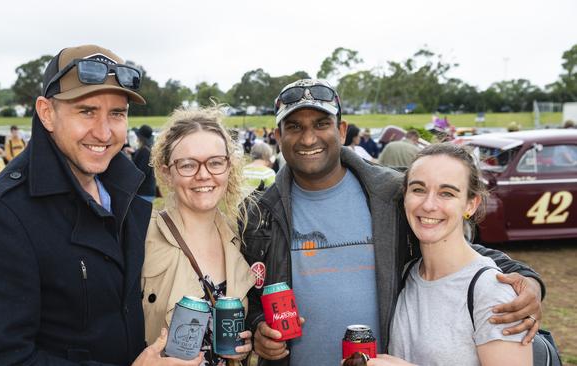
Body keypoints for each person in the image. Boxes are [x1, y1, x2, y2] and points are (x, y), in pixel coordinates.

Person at [240, 79, 544, 366]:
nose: (308, 138)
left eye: (321, 124)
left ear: (341, 130)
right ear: (278, 137)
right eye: (294, 127)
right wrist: (258, 329)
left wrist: (526, 279)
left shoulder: (392, 193)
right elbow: (247, 295)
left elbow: (453, 246)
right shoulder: (257, 214)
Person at [0, 44, 201, 366]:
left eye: (117, 113)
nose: (104, 132)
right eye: (86, 111)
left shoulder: (125, 194)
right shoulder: (1, 216)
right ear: (46, 113)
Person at [383, 143, 532, 366]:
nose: (429, 204)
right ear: (405, 195)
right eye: (418, 189)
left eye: (447, 193)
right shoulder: (406, 274)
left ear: (471, 205)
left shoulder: (492, 292)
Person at [143, 106, 255, 365]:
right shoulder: (141, 236)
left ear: (229, 167)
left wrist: (248, 346)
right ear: (167, 173)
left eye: (215, 162)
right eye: (187, 165)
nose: (203, 174)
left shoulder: (242, 239)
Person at [132, 124, 157, 202]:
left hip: (143, 192)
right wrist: (133, 154)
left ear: (141, 137)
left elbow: (141, 172)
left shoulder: (145, 152)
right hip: (147, 191)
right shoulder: (148, 149)